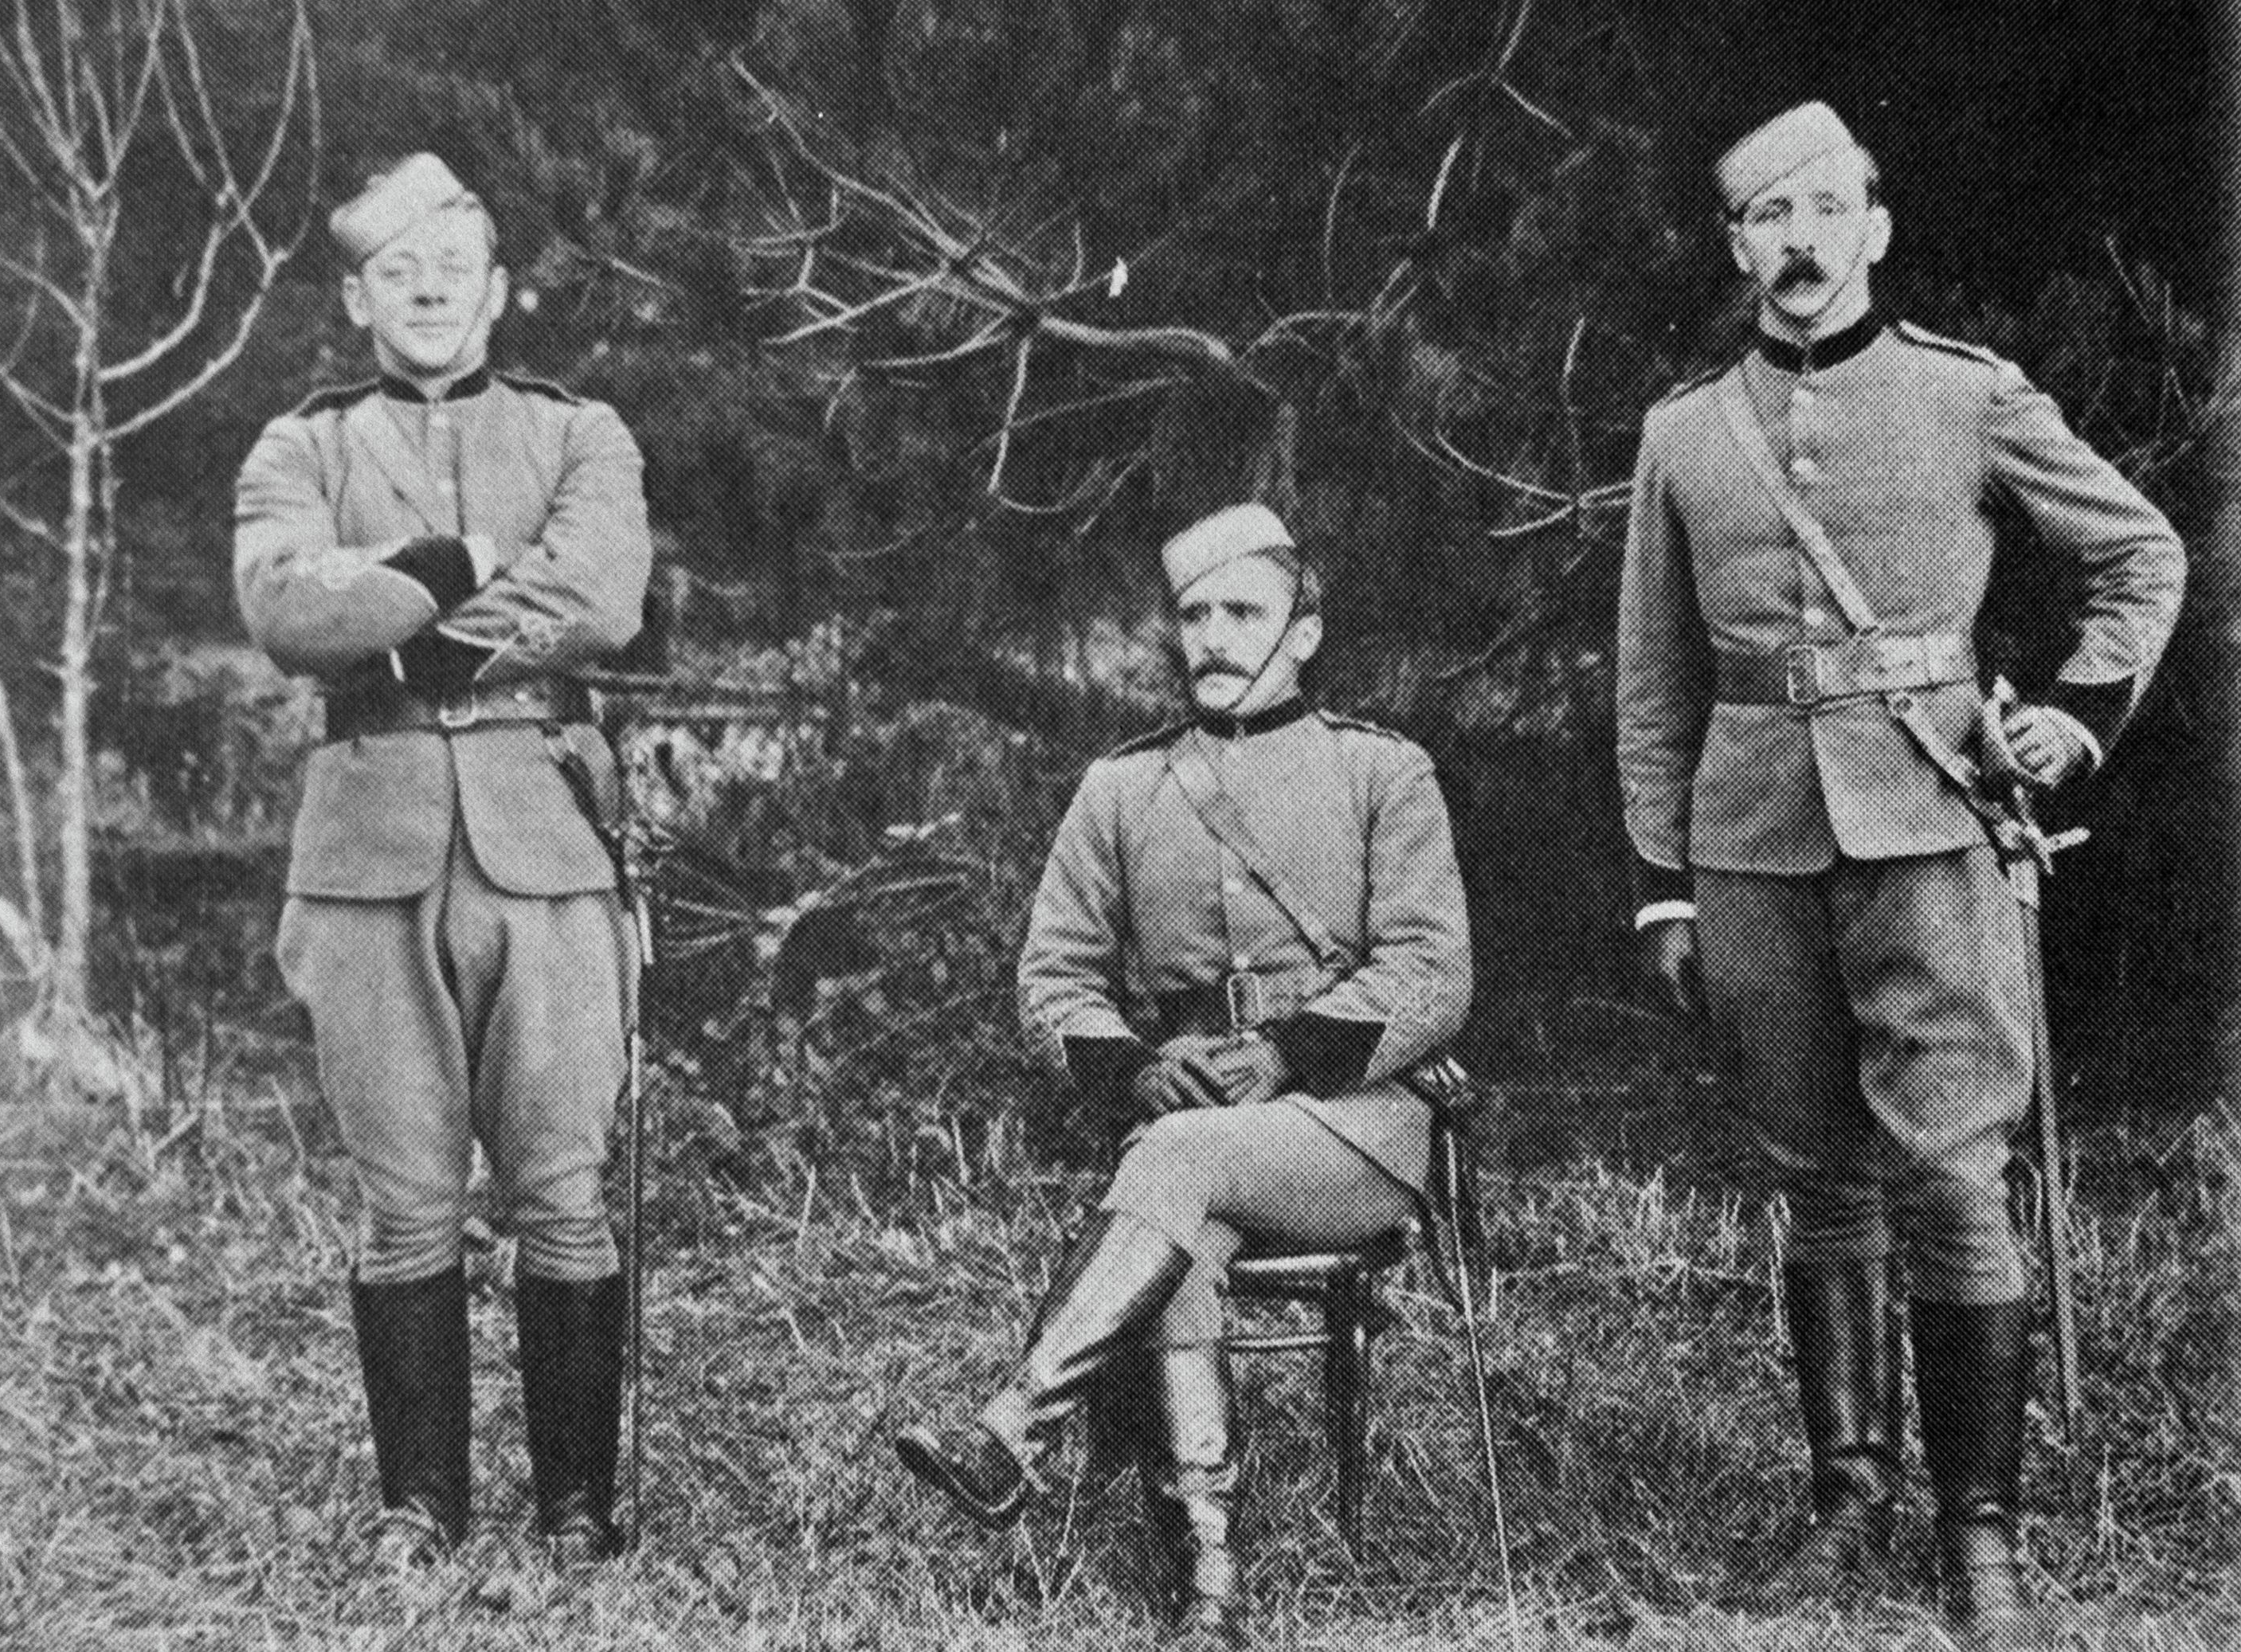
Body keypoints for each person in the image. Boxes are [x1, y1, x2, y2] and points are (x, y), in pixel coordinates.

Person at [1615, 103, 2183, 1646]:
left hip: (1935, 827)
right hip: (1752, 842)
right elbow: (1658, 677)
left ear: (1875, 225)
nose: (1797, 244)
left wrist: (2076, 713)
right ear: (1736, 250)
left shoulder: (1966, 400)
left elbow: (2142, 555)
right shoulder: (1684, 435)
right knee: (1817, 1177)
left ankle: (1978, 1531)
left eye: (1823, 209)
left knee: (1950, 1170)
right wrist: (1666, 879)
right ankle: (1846, 1492)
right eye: (1764, 219)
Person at [895, 503, 1473, 1648]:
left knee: (1172, 1166)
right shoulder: (1122, 788)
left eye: (1241, 611)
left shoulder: (1379, 771)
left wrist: (1288, 1051)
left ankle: (1015, 1423)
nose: (1212, 635)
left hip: (1351, 1130)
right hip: (1192, 1129)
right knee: (1183, 1232)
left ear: (1302, 630)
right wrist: (1135, 1070)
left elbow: (1431, 967)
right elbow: (1050, 977)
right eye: (1194, 614)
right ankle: (1210, 1587)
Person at [233, 154, 655, 1569]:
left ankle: (576, 1505)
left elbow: (599, 593)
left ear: (500, 289)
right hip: (364, 852)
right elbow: (288, 607)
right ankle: (422, 1504)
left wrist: (401, 602)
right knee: (405, 1192)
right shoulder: (300, 447)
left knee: (561, 1183)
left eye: (452, 266)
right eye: (396, 271)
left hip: (546, 833)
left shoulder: (580, 428)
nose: (427, 290)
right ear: (356, 298)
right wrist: (471, 561)